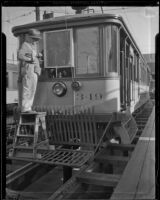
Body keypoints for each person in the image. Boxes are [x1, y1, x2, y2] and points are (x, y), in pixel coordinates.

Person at [18, 29, 42, 113]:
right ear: (29, 37)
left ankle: (28, 107)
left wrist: (37, 56)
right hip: (28, 69)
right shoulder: (25, 45)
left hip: (34, 70)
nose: (35, 40)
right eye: (34, 38)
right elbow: (20, 56)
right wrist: (30, 59)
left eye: (36, 39)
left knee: (32, 89)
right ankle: (25, 108)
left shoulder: (33, 46)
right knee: (28, 88)